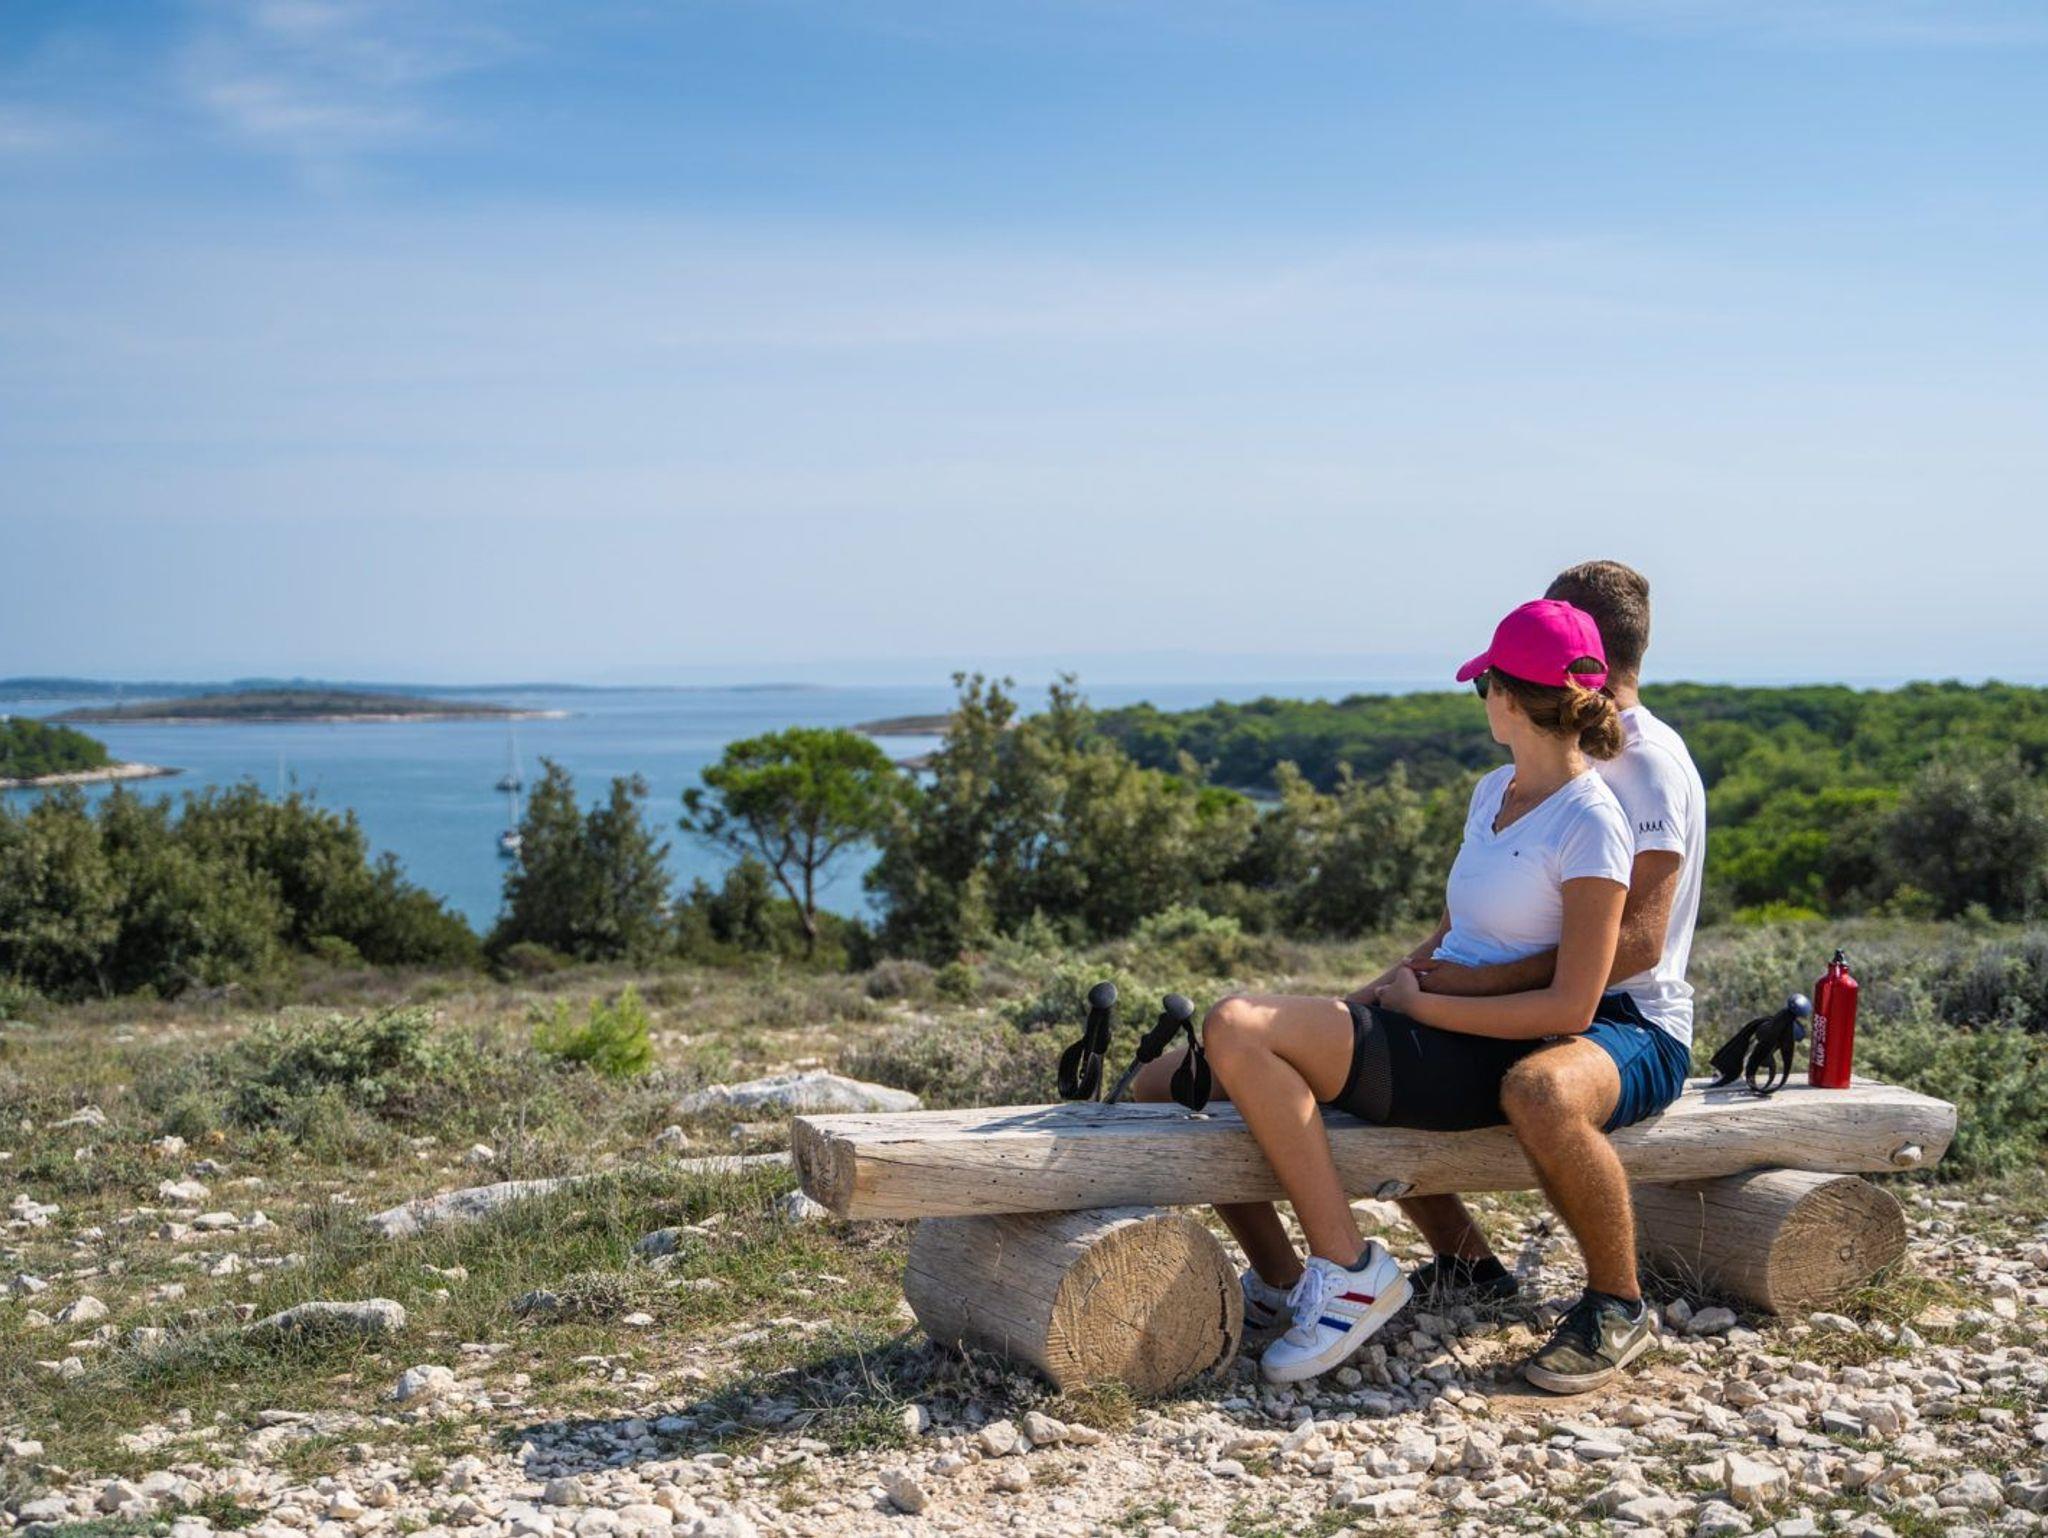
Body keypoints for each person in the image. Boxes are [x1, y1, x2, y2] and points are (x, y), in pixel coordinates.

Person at [1134, 595, 1651, 1385]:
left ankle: (1348, 1273)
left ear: (1508, 698)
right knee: (1169, 1083)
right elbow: (1450, 934)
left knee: (1237, 1023)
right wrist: (1369, 998)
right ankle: (1284, 1283)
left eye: (1484, 685)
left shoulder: (1592, 821)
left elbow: (1571, 1007)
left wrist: (1421, 1007)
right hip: (1423, 1027)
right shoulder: (1495, 792)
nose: (1484, 697)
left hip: (1479, 1054)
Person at [1392, 560, 1703, 1392]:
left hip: (1633, 1021)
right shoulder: (1536, 770)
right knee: (1383, 1052)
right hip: (1557, 1004)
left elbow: (1637, 946)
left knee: (1540, 1093)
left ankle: (1617, 1306)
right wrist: (1410, 985)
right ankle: (1469, 1265)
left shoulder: (1647, 763)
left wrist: (1476, 987)